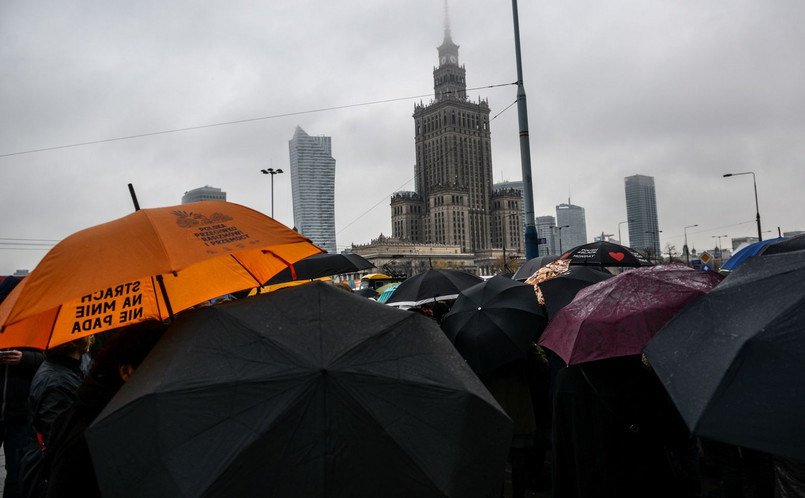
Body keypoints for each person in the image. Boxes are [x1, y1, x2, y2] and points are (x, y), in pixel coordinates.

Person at [43, 320, 166, 498]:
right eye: (160, 364)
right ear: (127, 371)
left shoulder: (122, 410)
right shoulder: (97, 429)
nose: (167, 373)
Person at [551, 354, 698, 498]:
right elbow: (670, 431)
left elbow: (562, 442)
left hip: (585, 478)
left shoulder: (566, 379)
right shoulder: (638, 375)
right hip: (633, 478)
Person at [19, 336, 93, 498]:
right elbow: (60, 439)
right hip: (51, 475)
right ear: (75, 342)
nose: (91, 336)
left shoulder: (69, 367)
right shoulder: (57, 382)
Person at [1, 347, 44, 498]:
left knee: (16, 472)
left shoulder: (33, 326)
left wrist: (24, 358)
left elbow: (48, 358)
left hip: (21, 414)